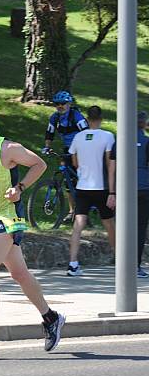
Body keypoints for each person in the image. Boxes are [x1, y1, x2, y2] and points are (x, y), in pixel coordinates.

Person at [0, 104, 65, 353]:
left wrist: (20, 188)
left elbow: (39, 164)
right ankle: (51, 319)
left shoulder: (8, 149)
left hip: (7, 219)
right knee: (19, 274)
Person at [66, 106, 115, 276]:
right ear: (101, 119)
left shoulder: (78, 137)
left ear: (86, 119)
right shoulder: (108, 136)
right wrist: (112, 192)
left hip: (82, 187)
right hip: (101, 188)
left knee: (78, 224)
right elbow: (110, 165)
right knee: (109, 224)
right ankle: (118, 259)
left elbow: (74, 162)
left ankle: (73, 263)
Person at [107, 111, 149, 278]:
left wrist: (112, 192)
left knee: (123, 227)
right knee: (140, 228)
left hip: (124, 189)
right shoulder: (147, 141)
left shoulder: (120, 142)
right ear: (144, 124)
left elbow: (112, 169)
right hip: (144, 189)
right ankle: (136, 266)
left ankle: (122, 265)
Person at [43, 90, 89, 221]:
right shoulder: (55, 118)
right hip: (67, 149)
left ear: (69, 104)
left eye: (63, 103)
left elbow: (86, 132)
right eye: (57, 104)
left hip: (81, 149)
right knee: (67, 181)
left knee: (80, 178)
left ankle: (86, 206)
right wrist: (47, 147)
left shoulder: (76, 116)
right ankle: (72, 211)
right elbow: (49, 133)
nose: (60, 106)